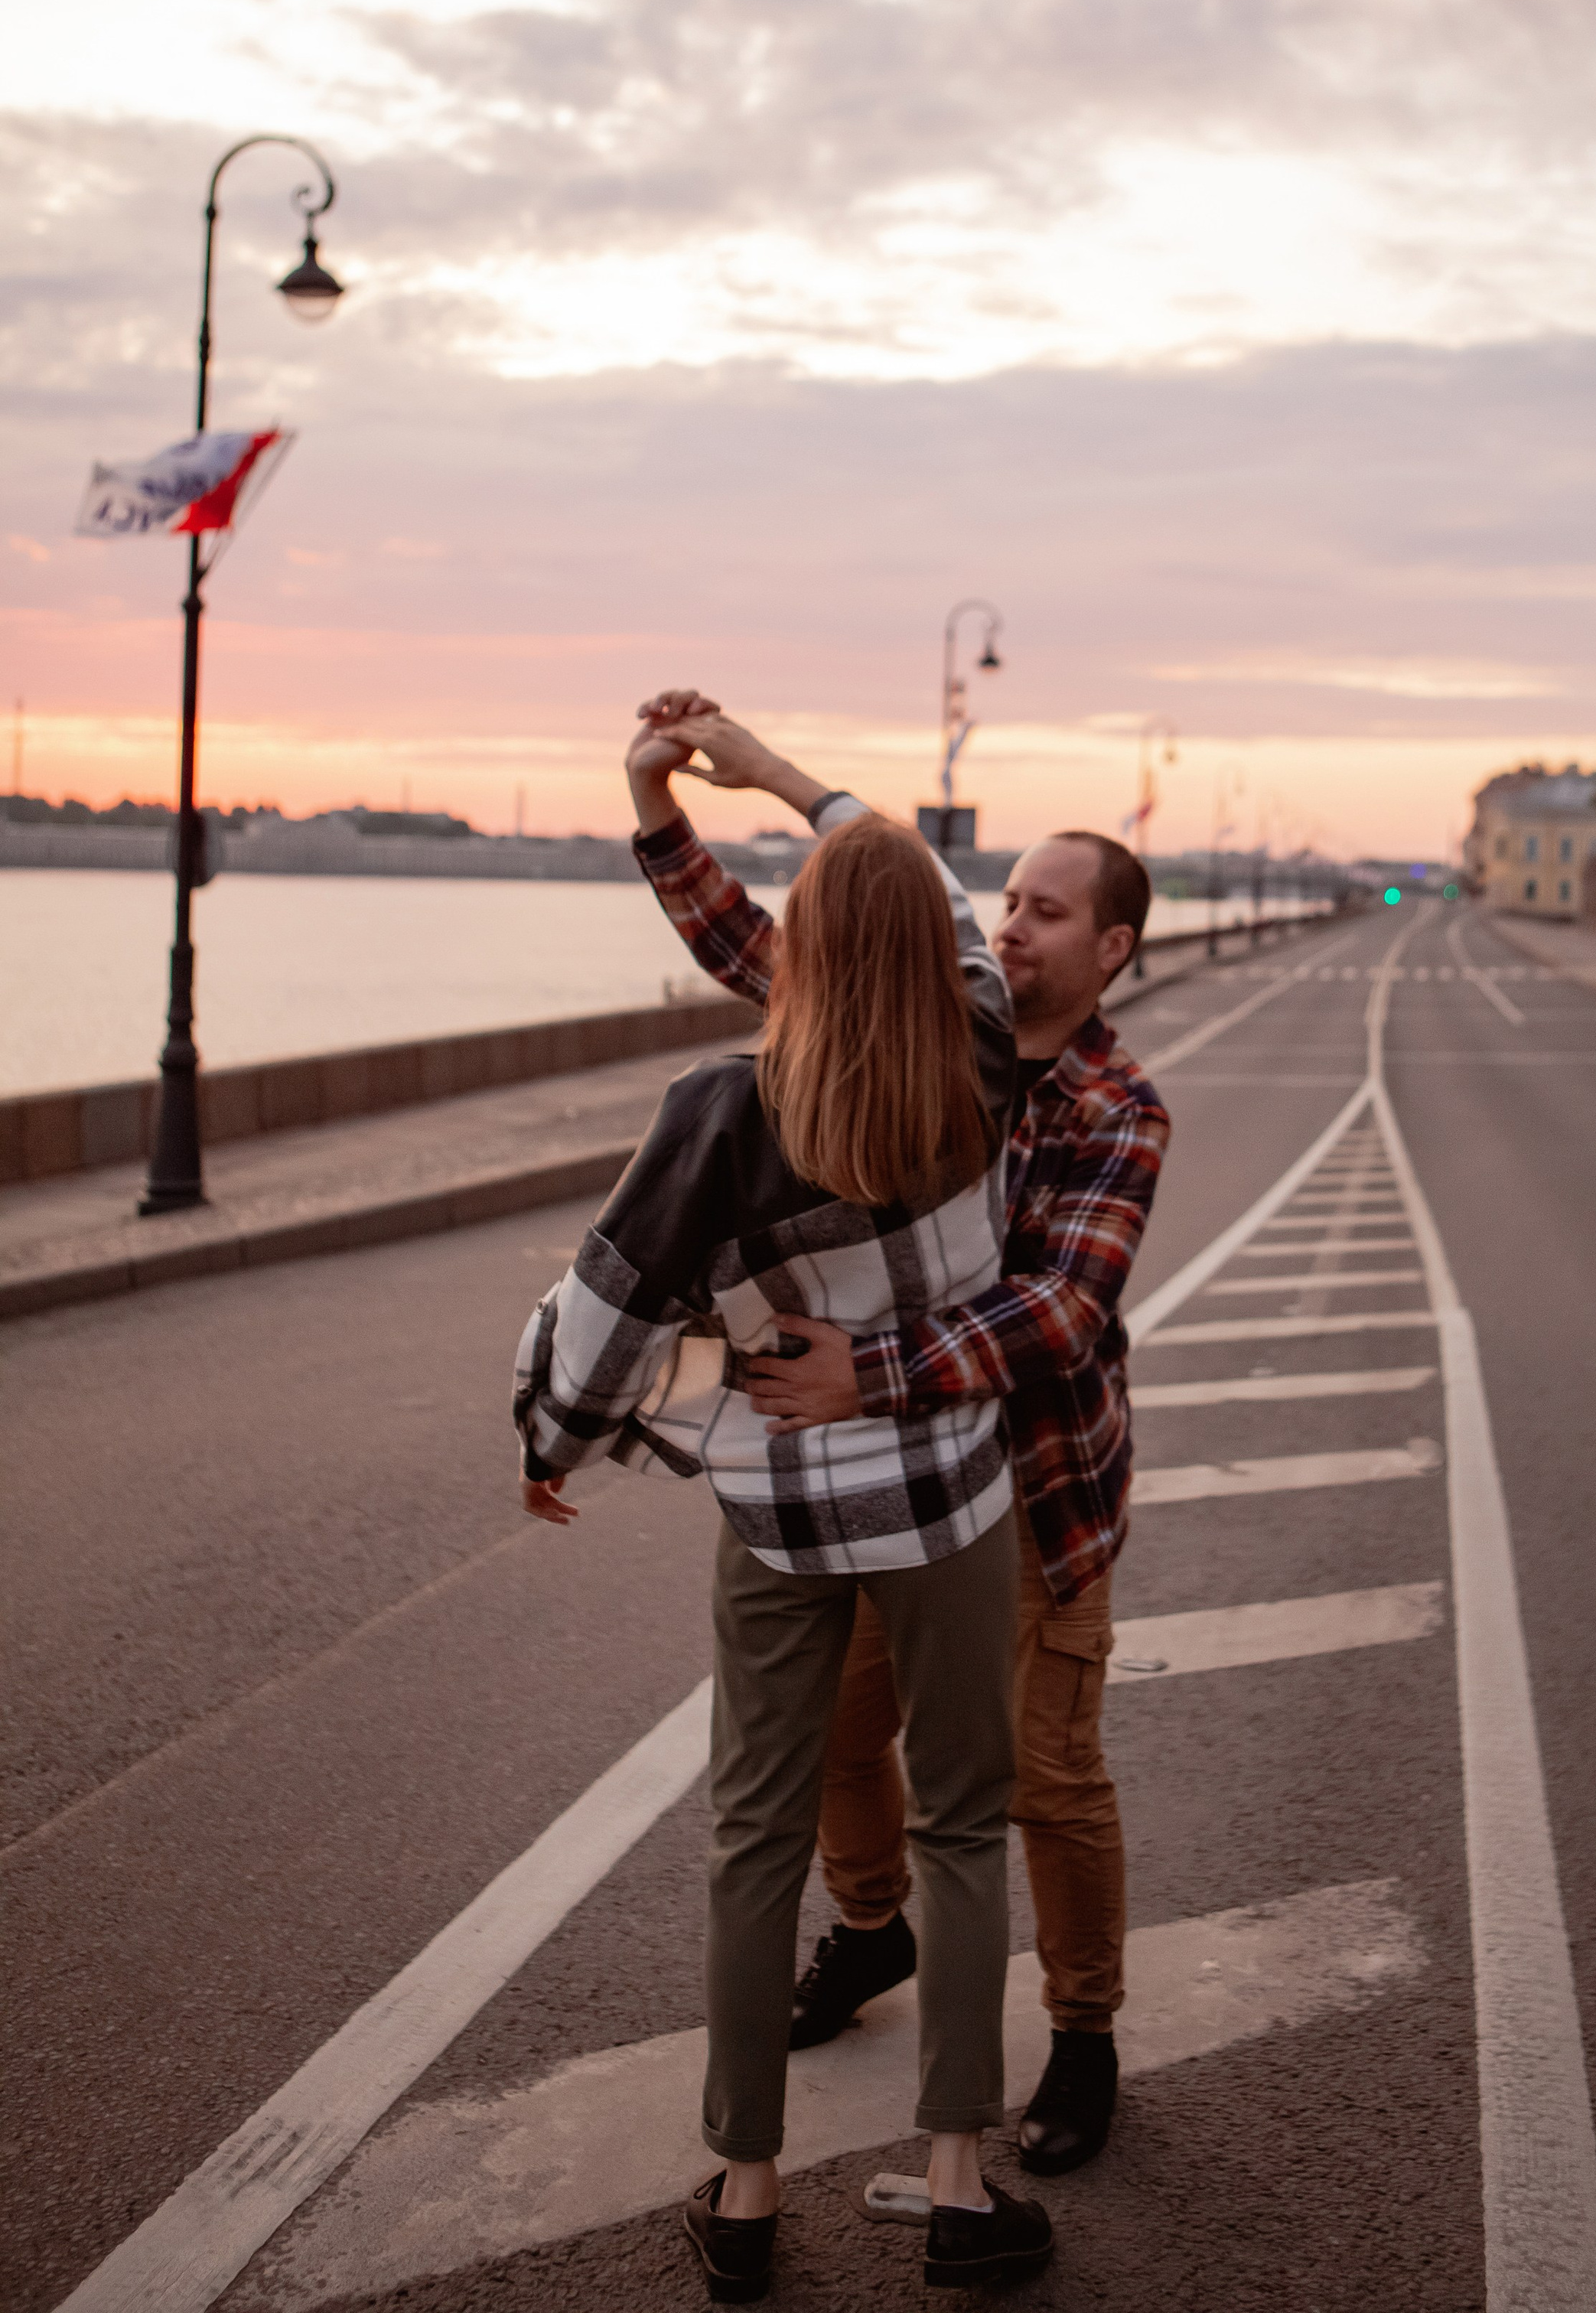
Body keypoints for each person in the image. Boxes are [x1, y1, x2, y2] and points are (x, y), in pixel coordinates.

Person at [513, 792, 1056, 2301]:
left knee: (755, 1835)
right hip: (949, 1501)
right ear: (928, 949)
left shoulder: (719, 1116)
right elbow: (944, 909)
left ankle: (743, 2191)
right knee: (957, 1825)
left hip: (783, 1521)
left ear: (799, 949)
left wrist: (547, 1451)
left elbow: (603, 1337)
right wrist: (786, 779)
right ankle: (957, 2181)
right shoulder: (983, 1055)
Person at [628, 692, 1171, 2181]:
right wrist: (672, 815)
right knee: (824, 1750)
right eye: (1008, 901)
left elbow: (1060, 1312)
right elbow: (776, 953)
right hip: (875, 1497)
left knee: (1042, 1786)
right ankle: (869, 1929)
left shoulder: (1118, 1108)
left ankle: (1081, 2033)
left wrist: (868, 1368)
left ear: (1112, 945)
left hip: (1036, 1500)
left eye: (1049, 911)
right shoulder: (928, 1020)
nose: (1017, 925)